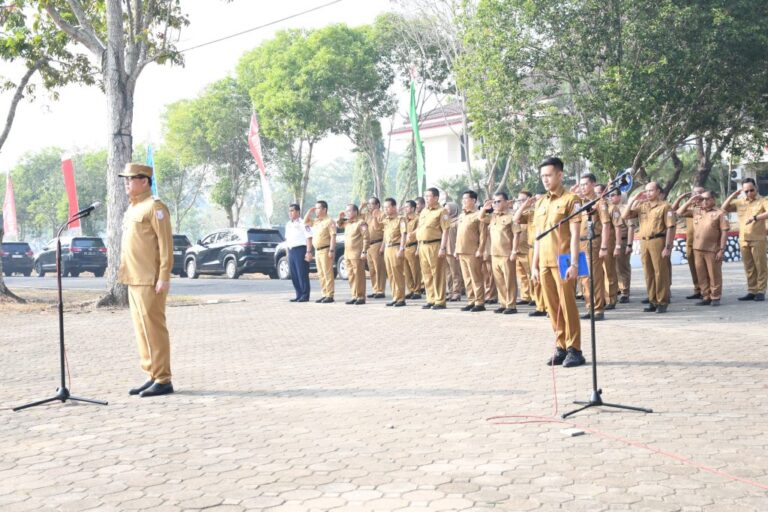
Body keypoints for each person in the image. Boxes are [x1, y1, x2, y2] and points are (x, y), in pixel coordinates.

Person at [118, 163, 175, 397]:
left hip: (151, 280)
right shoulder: (133, 208)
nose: (126, 183)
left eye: (130, 179)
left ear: (144, 181)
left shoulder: (155, 207)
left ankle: (163, 378)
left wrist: (164, 276)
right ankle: (151, 373)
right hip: (134, 278)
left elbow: (166, 245)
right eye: (125, 179)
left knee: (154, 329)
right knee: (141, 331)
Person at [532, 157, 584, 367]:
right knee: (552, 308)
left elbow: (575, 235)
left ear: (560, 175)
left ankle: (575, 349)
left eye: (549, 175)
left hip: (562, 260)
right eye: (543, 176)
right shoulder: (541, 202)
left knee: (567, 306)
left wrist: (574, 263)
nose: (545, 179)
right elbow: (538, 236)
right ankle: (561, 346)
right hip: (544, 262)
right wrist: (534, 265)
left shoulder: (571, 200)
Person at [623, 182, 676, 313]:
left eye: (651, 190)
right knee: (648, 273)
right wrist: (634, 200)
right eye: (646, 191)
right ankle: (652, 301)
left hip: (658, 240)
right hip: (644, 242)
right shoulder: (642, 206)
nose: (648, 193)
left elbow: (671, 227)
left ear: (658, 191)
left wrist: (668, 247)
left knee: (660, 273)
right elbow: (625, 215)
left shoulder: (665, 207)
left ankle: (662, 301)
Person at [677, 190, 729, 306]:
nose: (704, 201)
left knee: (714, 274)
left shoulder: (720, 213)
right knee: (701, 274)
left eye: (707, 199)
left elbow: (724, 232)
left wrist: (721, 249)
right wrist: (690, 200)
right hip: (697, 248)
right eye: (702, 199)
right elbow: (679, 212)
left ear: (713, 199)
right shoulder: (697, 211)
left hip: (712, 249)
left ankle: (715, 296)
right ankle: (706, 296)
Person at [722, 178, 767, 301]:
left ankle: (761, 291)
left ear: (756, 188)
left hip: (758, 239)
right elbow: (723, 208)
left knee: (760, 266)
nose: (749, 193)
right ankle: (752, 291)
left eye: (751, 190)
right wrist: (733, 195)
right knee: (749, 267)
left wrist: (755, 217)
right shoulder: (740, 202)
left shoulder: (763, 200)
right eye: (746, 191)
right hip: (743, 239)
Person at [574, 173, 611, 320]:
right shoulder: (580, 203)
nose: (583, 187)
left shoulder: (600, 203)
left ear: (593, 184)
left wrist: (603, 246)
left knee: (594, 277)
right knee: (584, 277)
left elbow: (606, 225)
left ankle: (598, 309)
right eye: (581, 185)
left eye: (585, 184)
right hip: (580, 243)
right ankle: (590, 306)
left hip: (593, 242)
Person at [481, 192, 518, 314]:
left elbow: (516, 234)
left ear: (506, 202)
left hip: (506, 253)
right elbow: (481, 218)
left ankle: (511, 305)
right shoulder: (493, 216)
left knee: (509, 280)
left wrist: (514, 251)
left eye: (499, 201)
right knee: (499, 281)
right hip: (494, 253)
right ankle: (503, 303)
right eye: (494, 201)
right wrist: (485, 208)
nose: (496, 204)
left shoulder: (512, 216)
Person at [417, 187, 450, 309]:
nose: (426, 198)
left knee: (437, 273)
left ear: (436, 198)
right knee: (426, 274)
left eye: (428, 196)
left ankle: (440, 300)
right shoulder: (424, 211)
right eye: (425, 196)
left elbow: (446, 230)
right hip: (423, 245)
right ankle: (430, 299)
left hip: (435, 245)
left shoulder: (442, 211)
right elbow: (421, 228)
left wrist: (443, 248)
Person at [514, 193, 547, 316]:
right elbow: (516, 219)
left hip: (546, 248)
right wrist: (524, 205)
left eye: (540, 200)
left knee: (546, 278)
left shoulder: (548, 212)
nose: (536, 202)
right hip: (532, 249)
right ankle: (540, 306)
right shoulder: (531, 214)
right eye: (535, 200)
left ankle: (549, 306)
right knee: (535, 278)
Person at [672, 186, 706, 299]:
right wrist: (682, 198)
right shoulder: (690, 208)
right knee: (693, 267)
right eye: (695, 193)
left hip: (703, 244)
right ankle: (697, 289)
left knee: (703, 268)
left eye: (700, 193)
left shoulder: (706, 207)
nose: (698, 195)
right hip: (690, 243)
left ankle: (706, 290)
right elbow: (674, 211)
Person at [455, 190, 486, 312]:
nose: (463, 201)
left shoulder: (478, 215)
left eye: (466, 199)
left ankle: (479, 302)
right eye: (462, 199)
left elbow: (483, 234)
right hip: (462, 251)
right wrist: (456, 250)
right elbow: (459, 234)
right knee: (467, 278)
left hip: (473, 251)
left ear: (473, 200)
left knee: (476, 277)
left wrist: (481, 249)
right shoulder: (462, 215)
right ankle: (471, 300)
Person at [304, 200, 336, 303]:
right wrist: (309, 211)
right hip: (317, 251)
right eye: (316, 208)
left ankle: (330, 295)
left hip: (326, 250)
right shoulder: (316, 221)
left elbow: (333, 236)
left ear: (324, 209)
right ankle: (324, 293)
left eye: (318, 208)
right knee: (321, 274)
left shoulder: (329, 221)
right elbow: (305, 222)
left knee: (328, 273)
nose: (316, 210)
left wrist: (331, 250)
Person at [337, 204, 369, 304]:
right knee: (351, 276)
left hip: (357, 254)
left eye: (349, 211)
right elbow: (339, 225)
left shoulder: (361, 223)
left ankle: (360, 297)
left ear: (355, 212)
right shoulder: (347, 223)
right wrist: (340, 217)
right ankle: (354, 295)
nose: (347, 213)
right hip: (347, 254)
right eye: (346, 211)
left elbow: (366, 238)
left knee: (359, 276)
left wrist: (364, 251)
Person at [608, 190, 635, 303]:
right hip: (611, 242)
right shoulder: (608, 208)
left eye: (613, 195)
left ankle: (625, 292)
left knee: (622, 267)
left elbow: (631, 227)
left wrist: (629, 244)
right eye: (609, 195)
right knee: (612, 268)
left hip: (623, 241)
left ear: (619, 196)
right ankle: (617, 289)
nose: (611, 197)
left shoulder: (625, 209)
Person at [595, 184, 618, 309]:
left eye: (599, 192)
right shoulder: (592, 207)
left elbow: (618, 226)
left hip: (608, 241)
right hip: (596, 242)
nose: (597, 195)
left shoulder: (610, 207)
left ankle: (611, 299)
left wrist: (618, 245)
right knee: (599, 273)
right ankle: (601, 298)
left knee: (609, 271)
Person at [380, 198, 407, 307]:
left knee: (398, 274)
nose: (385, 209)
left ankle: (401, 298)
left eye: (388, 207)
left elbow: (404, 234)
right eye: (384, 207)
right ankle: (395, 297)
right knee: (390, 274)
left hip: (396, 248)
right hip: (387, 248)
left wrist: (401, 249)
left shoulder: (401, 219)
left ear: (394, 207)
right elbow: (382, 232)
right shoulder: (386, 220)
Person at [285, 203, 312, 303]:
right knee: (294, 274)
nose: (290, 213)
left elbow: (309, 237)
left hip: (301, 250)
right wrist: (287, 253)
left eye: (292, 210)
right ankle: (298, 294)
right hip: (291, 250)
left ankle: (305, 295)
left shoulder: (303, 222)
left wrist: (308, 252)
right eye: (289, 211)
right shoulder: (288, 224)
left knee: (302, 273)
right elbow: (287, 240)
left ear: (297, 211)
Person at [362, 197, 387, 299]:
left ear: (377, 205)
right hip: (369, 245)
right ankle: (375, 289)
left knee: (379, 269)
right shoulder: (368, 215)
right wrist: (361, 207)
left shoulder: (382, 215)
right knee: (372, 269)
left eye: (372, 204)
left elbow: (386, 231)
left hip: (378, 243)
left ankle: (381, 290)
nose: (369, 206)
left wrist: (383, 246)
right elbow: (357, 217)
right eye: (368, 204)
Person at [511, 191, 532, 306]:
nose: (520, 202)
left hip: (528, 249)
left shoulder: (531, 212)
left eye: (522, 200)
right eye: (518, 200)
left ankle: (534, 296)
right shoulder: (517, 213)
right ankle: (525, 296)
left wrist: (525, 206)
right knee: (522, 276)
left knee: (530, 275)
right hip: (518, 250)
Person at [444, 201, 464, 301]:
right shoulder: (445, 221)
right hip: (445, 250)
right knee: (448, 274)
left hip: (453, 250)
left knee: (455, 273)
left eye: (447, 209)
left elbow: (459, 237)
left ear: (453, 210)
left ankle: (457, 293)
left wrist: (457, 250)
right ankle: (451, 291)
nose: (445, 211)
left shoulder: (457, 221)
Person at [402, 200, 422, 299]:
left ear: (413, 208)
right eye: (405, 207)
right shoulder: (403, 219)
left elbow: (420, 234)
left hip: (413, 246)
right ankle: (410, 289)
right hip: (404, 247)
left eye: (407, 207)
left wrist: (418, 249)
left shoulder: (418, 219)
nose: (405, 209)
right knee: (406, 271)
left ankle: (417, 290)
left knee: (415, 270)